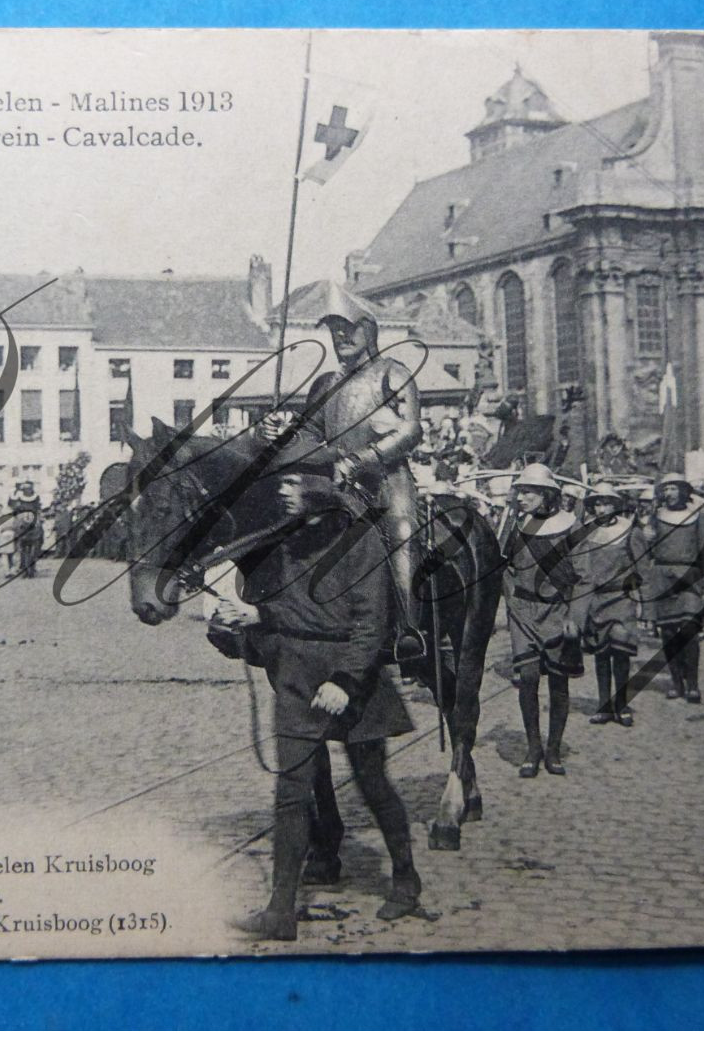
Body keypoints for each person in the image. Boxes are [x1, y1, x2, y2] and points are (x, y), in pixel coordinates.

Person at [214, 444, 421, 942]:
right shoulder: (283, 541)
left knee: (373, 784)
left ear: (323, 485)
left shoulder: (362, 541)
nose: (283, 491)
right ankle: (280, 911)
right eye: (281, 482)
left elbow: (371, 624)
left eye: (294, 482)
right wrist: (252, 616)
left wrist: (346, 681)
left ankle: (406, 879)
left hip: (353, 681)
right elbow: (286, 608)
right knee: (291, 792)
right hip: (295, 676)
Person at [259, 293, 424, 660]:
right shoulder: (325, 384)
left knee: (402, 533)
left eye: (348, 329)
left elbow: (410, 432)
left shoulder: (393, 374)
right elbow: (309, 436)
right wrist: (280, 432)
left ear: (369, 330)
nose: (340, 337)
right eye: (334, 331)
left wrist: (360, 459)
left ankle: (409, 629)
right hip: (334, 482)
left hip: (385, 478)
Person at [500, 464, 583, 777]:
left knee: (558, 682)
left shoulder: (571, 527)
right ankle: (533, 748)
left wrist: (575, 617)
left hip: (559, 612)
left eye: (529, 492)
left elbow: (584, 577)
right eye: (520, 491)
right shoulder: (517, 525)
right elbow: (504, 566)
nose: (522, 497)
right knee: (529, 678)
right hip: (524, 613)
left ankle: (554, 749)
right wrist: (512, 599)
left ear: (547, 495)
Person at [641, 473, 704, 704]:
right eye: (665, 489)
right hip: (662, 578)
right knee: (668, 633)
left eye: (674, 488)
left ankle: (693, 684)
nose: (669, 493)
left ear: (684, 491)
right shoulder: (655, 517)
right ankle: (676, 682)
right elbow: (647, 551)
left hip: (689, 577)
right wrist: (646, 536)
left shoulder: (699, 517)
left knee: (689, 632)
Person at [571, 482, 641, 727]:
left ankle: (621, 704)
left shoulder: (629, 530)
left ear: (616, 506)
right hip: (595, 600)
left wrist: (642, 597)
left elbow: (641, 564)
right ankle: (604, 705)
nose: (602, 509)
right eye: (597, 504)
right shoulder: (586, 532)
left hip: (621, 598)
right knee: (601, 654)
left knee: (620, 651)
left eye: (607, 503)